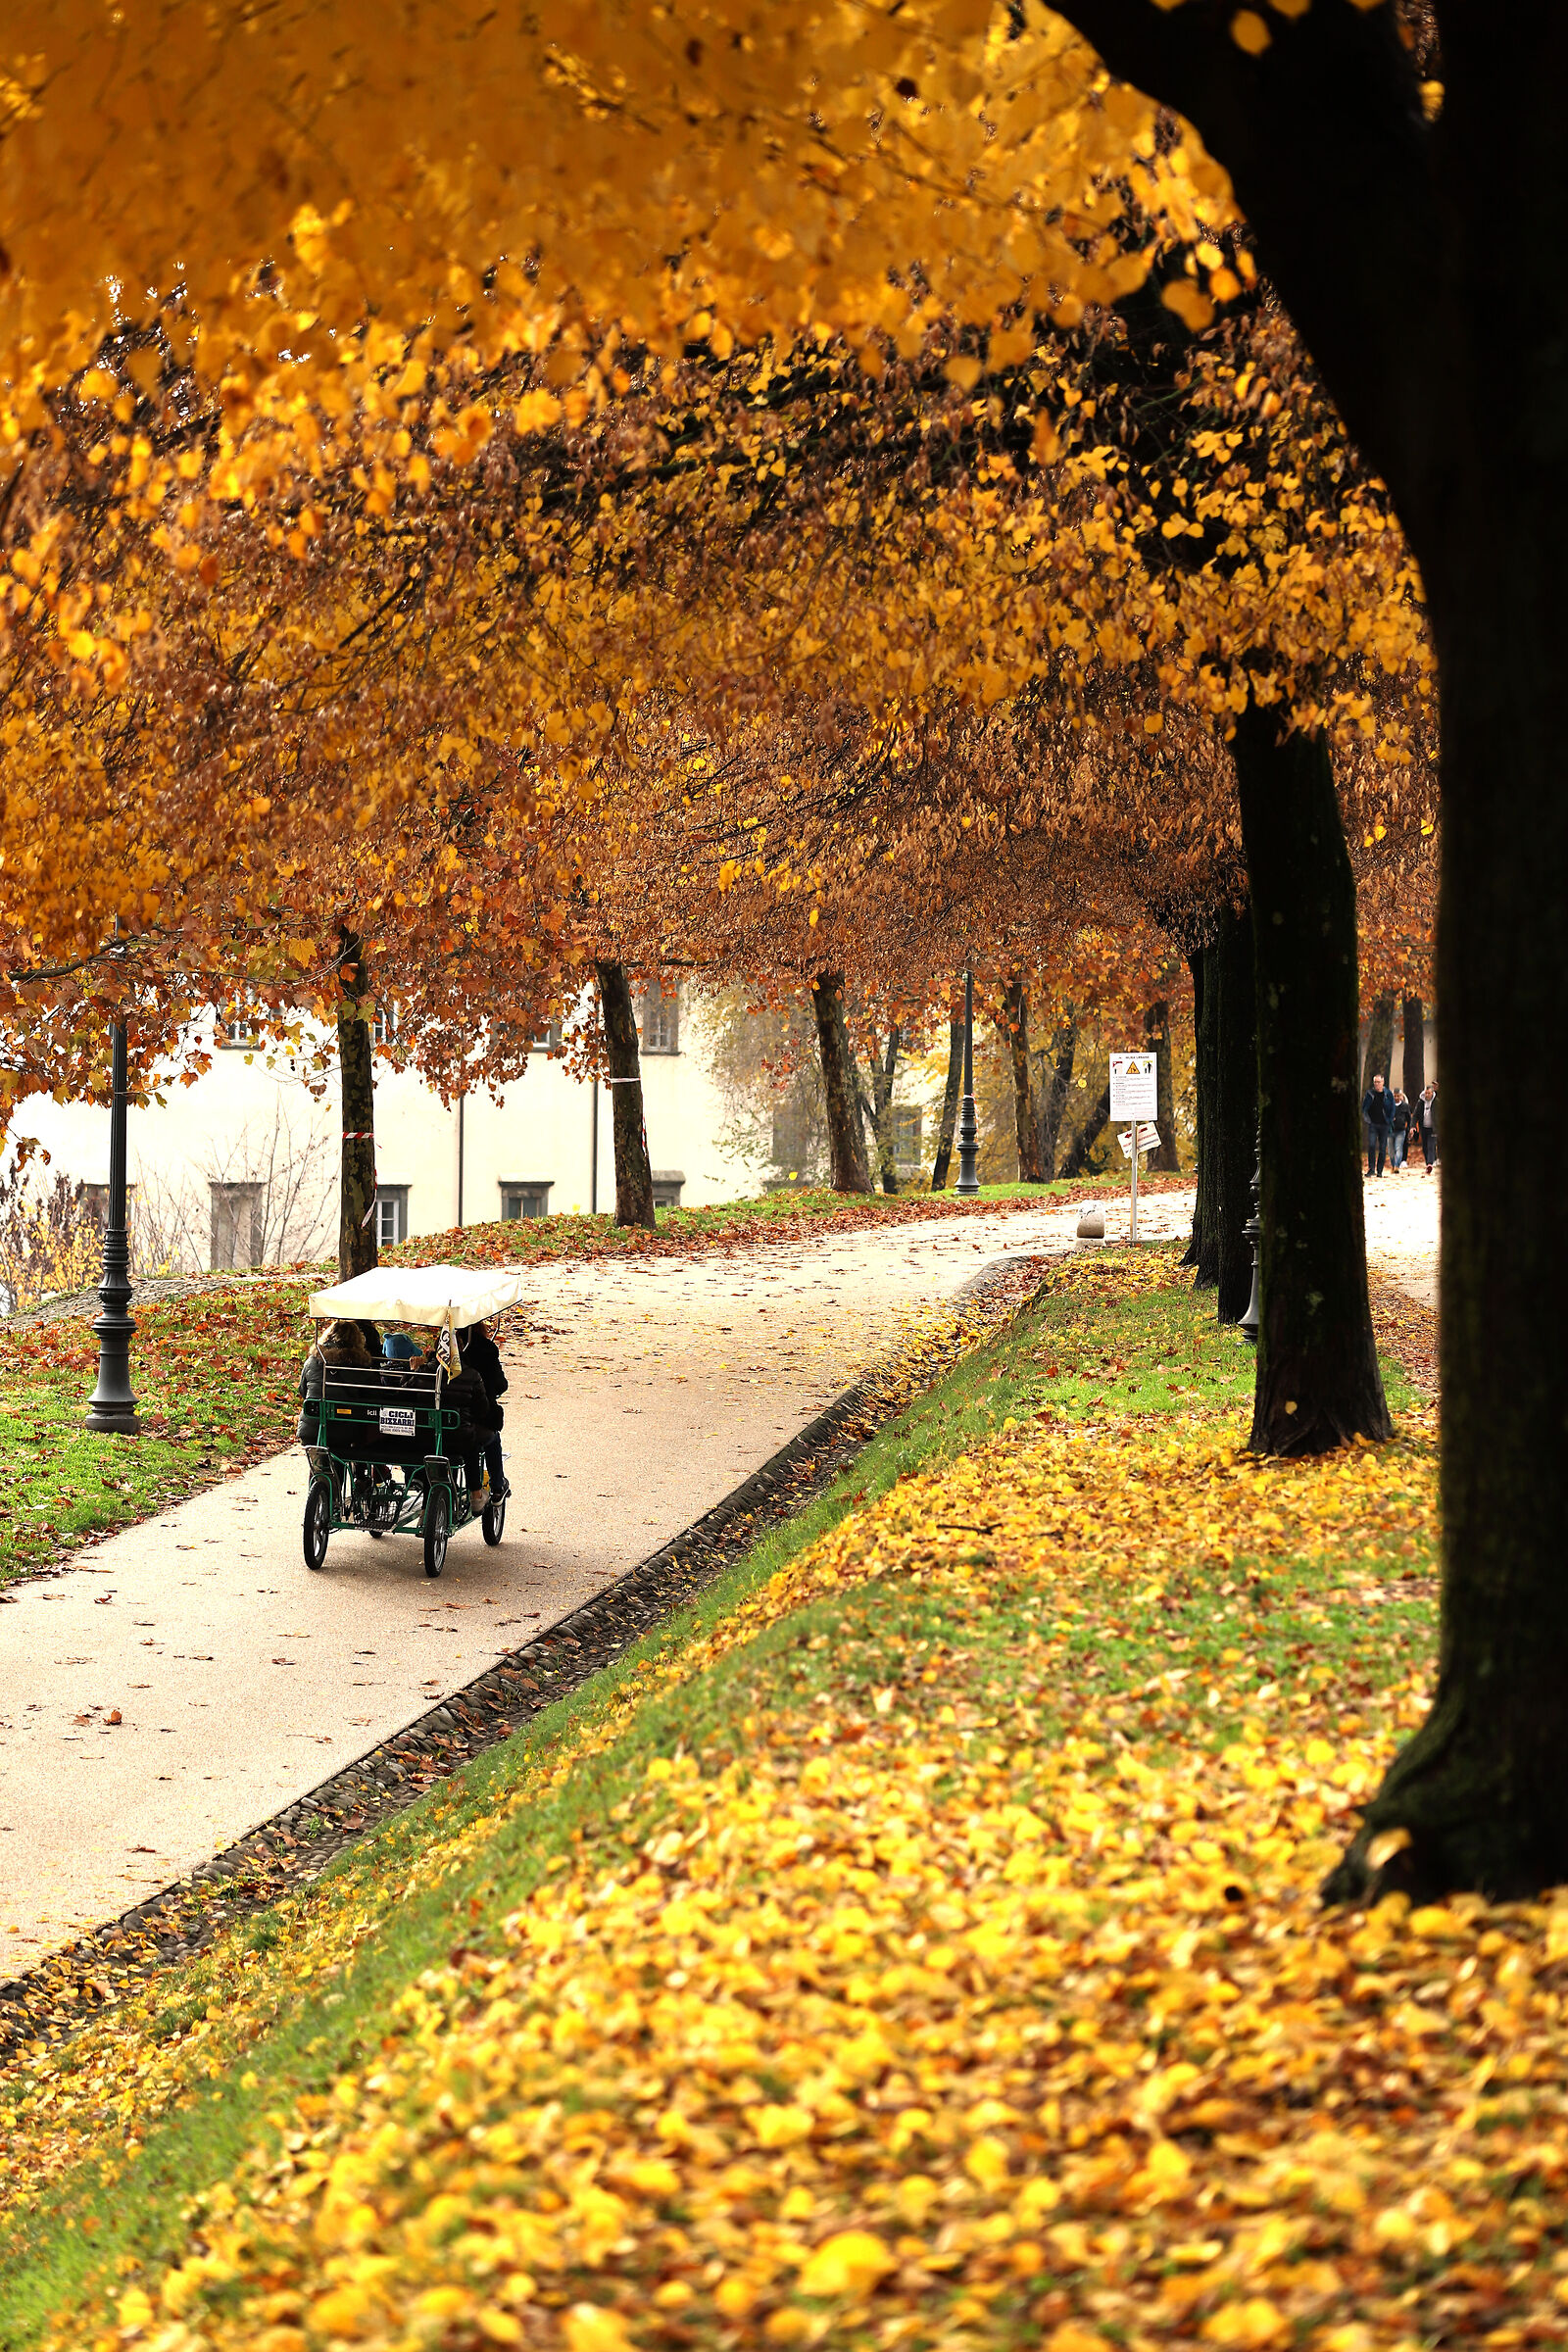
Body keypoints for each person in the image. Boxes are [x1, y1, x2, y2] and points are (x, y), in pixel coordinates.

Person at [456, 1320, 510, 1502]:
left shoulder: (436, 1360)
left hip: (442, 1420)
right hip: (472, 1422)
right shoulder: (485, 1353)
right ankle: (497, 1485)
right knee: (491, 1435)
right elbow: (499, 1385)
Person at [1361, 1071, 1394, 1176]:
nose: (1376, 1084)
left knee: (1382, 1148)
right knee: (1371, 1145)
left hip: (1384, 1124)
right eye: (1375, 1082)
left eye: (1378, 1082)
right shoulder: (1369, 1094)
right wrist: (1367, 1119)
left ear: (1383, 1082)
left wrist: (1389, 1120)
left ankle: (1379, 1171)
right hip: (1373, 1124)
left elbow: (1393, 1108)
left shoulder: (1388, 1094)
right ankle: (1371, 1169)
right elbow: (1364, 1108)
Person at [1417, 1082, 1438, 1173]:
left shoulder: (1437, 1102)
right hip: (1424, 1128)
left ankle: (1430, 1164)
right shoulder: (1421, 1102)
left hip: (1433, 1129)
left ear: (1432, 1093)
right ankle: (1428, 1164)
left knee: (1431, 1146)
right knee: (1425, 1147)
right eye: (1426, 1093)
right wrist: (1413, 1126)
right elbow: (1415, 1115)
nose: (1427, 1095)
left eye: (1429, 1093)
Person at [1390, 1086, 1411, 1171]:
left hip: (1401, 1131)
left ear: (1401, 1096)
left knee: (1399, 1148)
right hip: (1390, 1131)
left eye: (1398, 1096)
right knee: (1391, 1151)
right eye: (1394, 1096)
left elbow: (1409, 1118)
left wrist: (1409, 1129)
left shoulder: (1405, 1106)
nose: (1396, 1098)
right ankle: (1393, 1165)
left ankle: (1396, 1166)